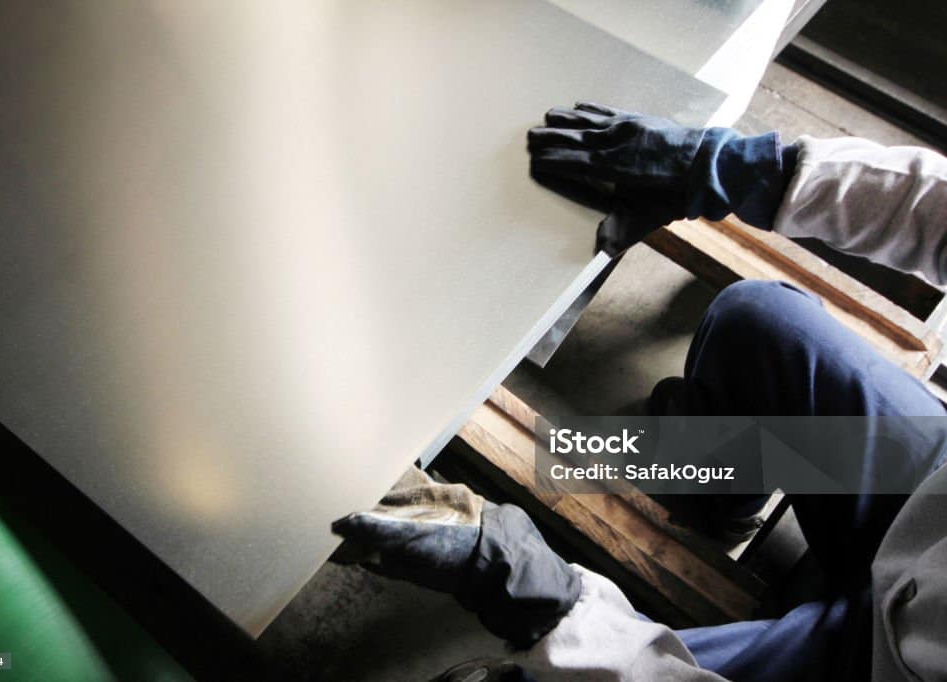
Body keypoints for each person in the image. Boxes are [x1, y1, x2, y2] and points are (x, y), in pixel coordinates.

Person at [333, 104, 947, 681]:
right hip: (932, 501)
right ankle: (718, 504)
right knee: (755, 322)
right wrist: (751, 170)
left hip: (879, 663)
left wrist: (541, 601)